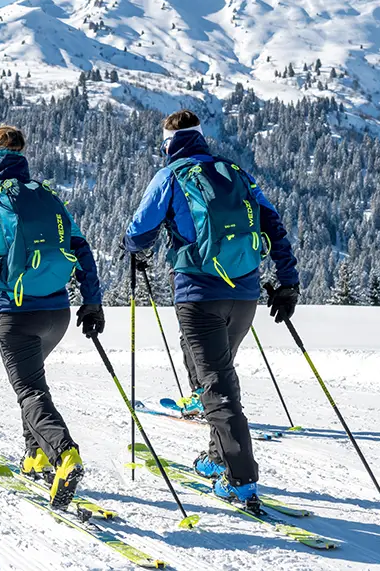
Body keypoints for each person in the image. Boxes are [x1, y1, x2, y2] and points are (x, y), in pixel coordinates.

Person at [123, 109, 300, 511]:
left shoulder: (171, 175)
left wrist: (134, 249)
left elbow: (139, 230)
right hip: (245, 292)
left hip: (199, 293)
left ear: (168, 142)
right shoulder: (235, 172)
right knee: (214, 375)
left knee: (218, 389)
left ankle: (240, 480)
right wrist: (287, 281)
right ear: (200, 136)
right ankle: (218, 456)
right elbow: (273, 223)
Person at [0, 124, 104, 510]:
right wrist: (93, 301)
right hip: (58, 313)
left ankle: (65, 455)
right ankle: (35, 455)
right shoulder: (48, 196)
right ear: (22, 154)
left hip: (16, 312)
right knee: (33, 384)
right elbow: (80, 248)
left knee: (30, 391)